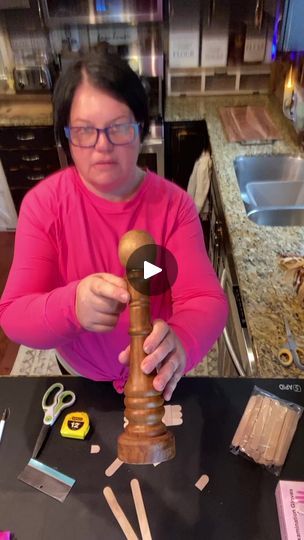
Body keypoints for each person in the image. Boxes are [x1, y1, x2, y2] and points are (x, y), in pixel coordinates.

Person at [0, 49, 228, 400]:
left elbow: (205, 298)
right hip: (83, 379)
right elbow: (14, 313)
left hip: (158, 377)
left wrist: (182, 342)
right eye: (84, 131)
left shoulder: (174, 207)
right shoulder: (44, 207)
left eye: (118, 127)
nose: (102, 146)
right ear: (66, 136)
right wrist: (72, 306)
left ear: (141, 128)